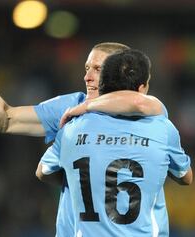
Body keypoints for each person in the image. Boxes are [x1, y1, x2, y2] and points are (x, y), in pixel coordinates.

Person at [0, 33, 165, 236]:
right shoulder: (70, 107)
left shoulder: (149, 115)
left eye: (98, 69)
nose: (87, 77)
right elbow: (4, 120)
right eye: (87, 68)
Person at [40, 49, 192, 236]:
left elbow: (43, 172)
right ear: (142, 88)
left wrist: (84, 179)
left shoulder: (72, 129)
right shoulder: (162, 128)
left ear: (103, 85)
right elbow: (185, 176)